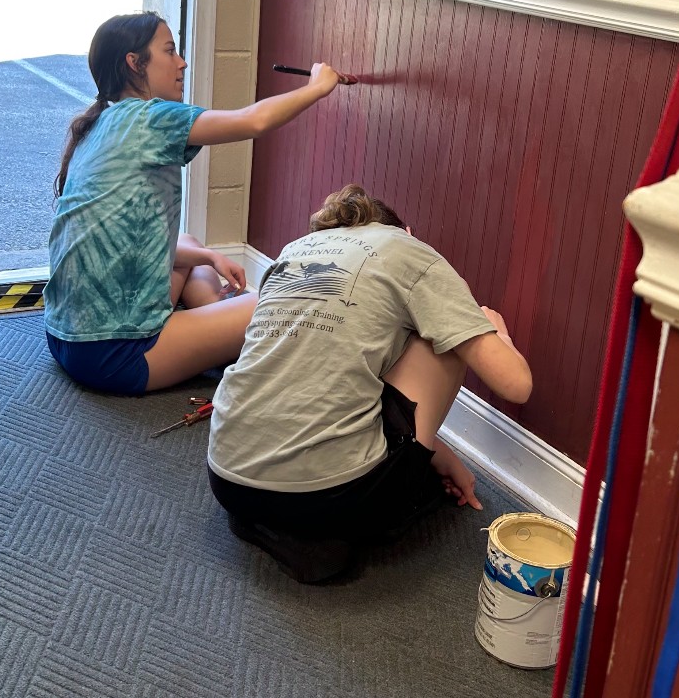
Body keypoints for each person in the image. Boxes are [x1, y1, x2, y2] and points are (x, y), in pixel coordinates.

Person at [207, 184, 533, 583]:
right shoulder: (410, 251)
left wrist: (439, 454)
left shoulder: (295, 249)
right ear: (406, 231)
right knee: (444, 337)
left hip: (227, 479)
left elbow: (319, 375)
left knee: (349, 349)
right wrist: (496, 333)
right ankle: (328, 522)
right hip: (331, 500)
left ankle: (281, 518)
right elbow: (517, 385)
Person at [45, 11, 343, 396]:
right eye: (169, 51)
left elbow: (135, 239)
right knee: (284, 301)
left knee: (193, 245)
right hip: (115, 355)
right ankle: (222, 336)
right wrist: (318, 86)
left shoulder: (101, 124)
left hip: (65, 336)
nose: (182, 62)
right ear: (134, 63)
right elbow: (251, 122)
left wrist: (209, 258)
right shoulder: (149, 118)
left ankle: (214, 333)